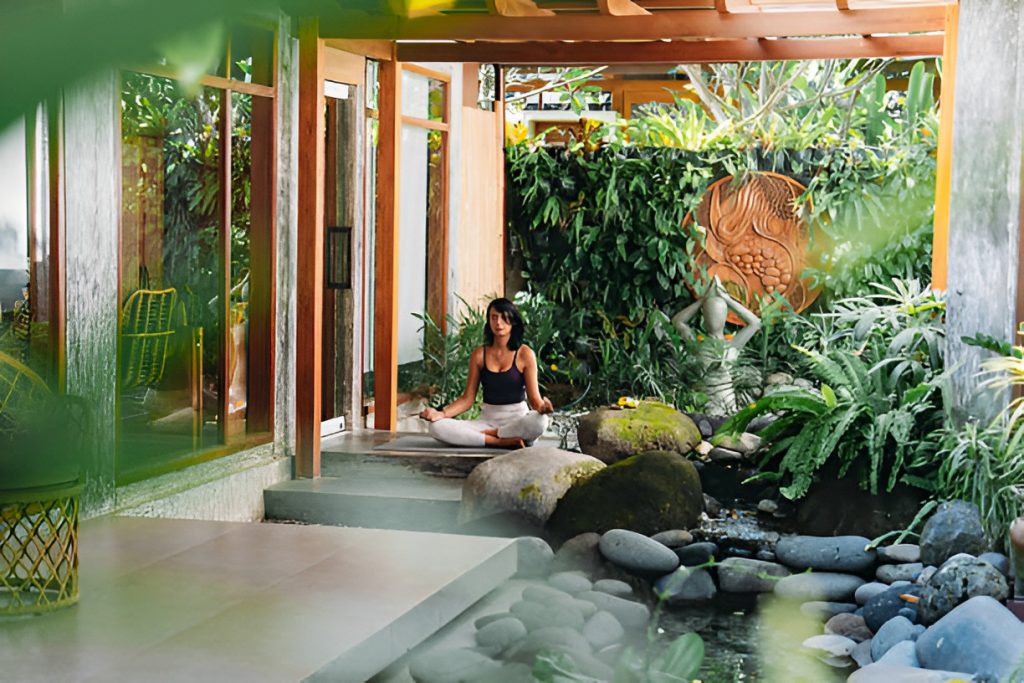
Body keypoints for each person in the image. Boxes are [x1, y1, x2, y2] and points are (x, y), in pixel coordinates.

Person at [420, 297, 554, 448]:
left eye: (504, 318)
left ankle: (496, 434)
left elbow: (534, 399)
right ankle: (500, 441)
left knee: (540, 422)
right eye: (494, 317)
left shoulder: (525, 354)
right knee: (436, 426)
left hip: (518, 421)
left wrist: (543, 408)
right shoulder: (479, 354)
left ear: (513, 321)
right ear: (488, 321)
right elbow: (467, 399)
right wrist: (442, 414)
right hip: (487, 421)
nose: (498, 323)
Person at [672, 276, 761, 417]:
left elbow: (678, 321)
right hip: (703, 407)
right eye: (709, 312)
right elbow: (755, 323)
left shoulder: (720, 346)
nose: (714, 317)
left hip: (725, 409)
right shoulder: (724, 346)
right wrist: (722, 300)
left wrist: (714, 300)